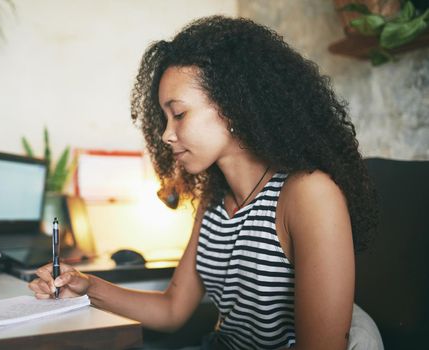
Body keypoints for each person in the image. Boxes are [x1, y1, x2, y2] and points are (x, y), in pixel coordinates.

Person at [29, 16, 380, 350]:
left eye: (179, 114)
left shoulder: (308, 194)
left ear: (233, 106)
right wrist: (87, 285)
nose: (167, 134)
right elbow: (172, 310)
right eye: (164, 118)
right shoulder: (214, 201)